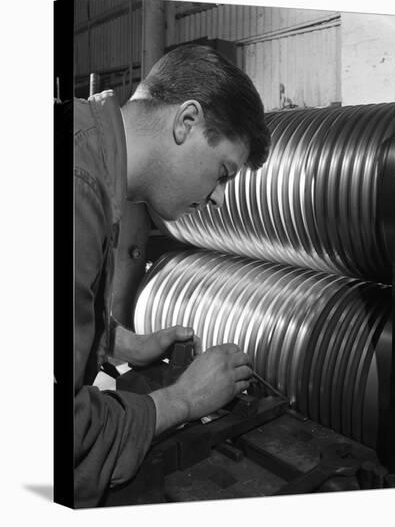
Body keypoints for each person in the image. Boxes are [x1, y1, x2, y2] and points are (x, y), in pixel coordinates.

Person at [69, 44, 270, 507]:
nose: (219, 198)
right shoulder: (78, 187)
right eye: (223, 172)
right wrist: (184, 399)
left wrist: (117, 342)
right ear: (186, 122)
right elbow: (54, 433)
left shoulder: (89, 149)